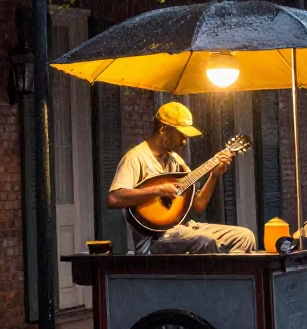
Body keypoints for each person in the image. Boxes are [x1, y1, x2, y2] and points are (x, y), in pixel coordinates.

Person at [106, 102, 257, 254]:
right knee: (204, 241)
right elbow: (114, 199)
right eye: (181, 134)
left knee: (245, 237)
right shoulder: (135, 158)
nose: (184, 141)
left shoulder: (177, 161)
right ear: (163, 129)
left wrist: (213, 176)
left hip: (184, 228)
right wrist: (158, 190)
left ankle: (229, 276)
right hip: (155, 238)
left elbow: (199, 204)